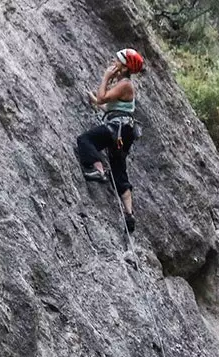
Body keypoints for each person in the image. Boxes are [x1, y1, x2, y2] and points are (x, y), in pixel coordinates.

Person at [75, 48, 145, 233]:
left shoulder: (125, 84)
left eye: (116, 60)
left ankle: (98, 170)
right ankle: (129, 215)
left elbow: (102, 98)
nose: (113, 62)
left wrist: (106, 77)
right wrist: (96, 101)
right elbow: (111, 107)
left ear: (123, 67)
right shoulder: (125, 85)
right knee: (118, 167)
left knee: (85, 140)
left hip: (118, 129)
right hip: (123, 129)